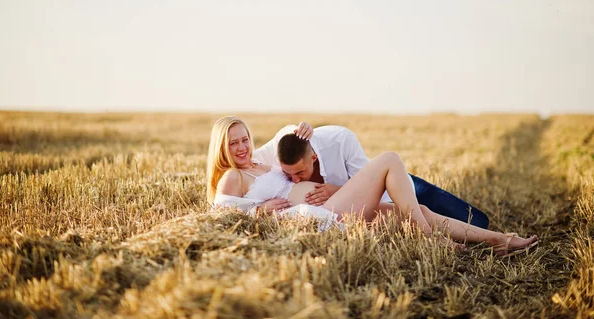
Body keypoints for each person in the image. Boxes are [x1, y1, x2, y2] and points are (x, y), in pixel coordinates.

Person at [206, 116, 539, 256]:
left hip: (328, 207)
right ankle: (429, 238)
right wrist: (259, 210)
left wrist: (301, 128)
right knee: (390, 159)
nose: (241, 148)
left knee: (418, 210)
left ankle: (503, 240)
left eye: (244, 139)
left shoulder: (260, 159)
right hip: (315, 216)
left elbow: (285, 136)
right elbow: (218, 211)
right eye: (232, 143)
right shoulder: (232, 175)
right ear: (222, 147)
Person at [254, 123, 490, 229]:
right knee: (430, 219)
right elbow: (248, 160)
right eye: (288, 174)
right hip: (378, 194)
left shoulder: (340, 140)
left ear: (313, 158)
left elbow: (374, 190)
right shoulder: (280, 149)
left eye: (300, 173)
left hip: (397, 187)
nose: (295, 179)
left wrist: (337, 191)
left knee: (476, 222)